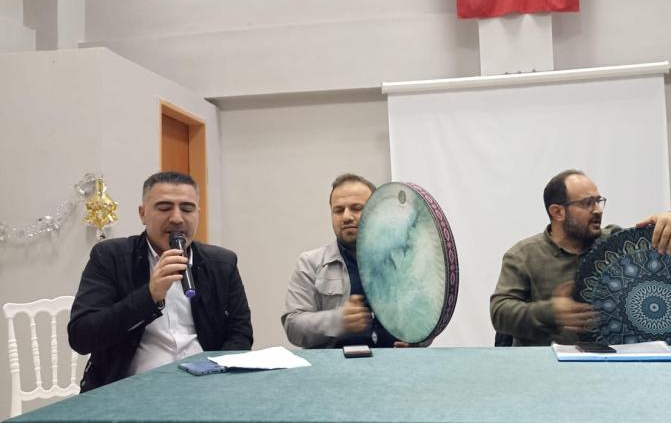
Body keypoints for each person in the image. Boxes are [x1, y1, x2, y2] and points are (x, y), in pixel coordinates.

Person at [68, 171, 253, 392]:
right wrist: (149, 296)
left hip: (205, 387)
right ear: (143, 214)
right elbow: (82, 336)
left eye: (187, 209)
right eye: (164, 208)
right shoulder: (110, 257)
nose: (177, 218)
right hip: (129, 391)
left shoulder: (222, 263)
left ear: (198, 214)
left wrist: (214, 377)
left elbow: (240, 334)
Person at [490, 169, 671, 347]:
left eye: (598, 201)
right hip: (547, 369)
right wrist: (550, 312)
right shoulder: (524, 255)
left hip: (614, 366)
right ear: (558, 212)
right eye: (587, 203)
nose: (597, 210)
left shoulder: (616, 244)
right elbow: (500, 312)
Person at [283, 173, 416, 349]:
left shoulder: (403, 260)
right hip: (335, 365)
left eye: (356, 208)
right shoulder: (310, 263)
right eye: (338, 210)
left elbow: (426, 317)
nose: (346, 217)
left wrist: (417, 340)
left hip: (396, 362)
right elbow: (293, 326)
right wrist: (337, 320)